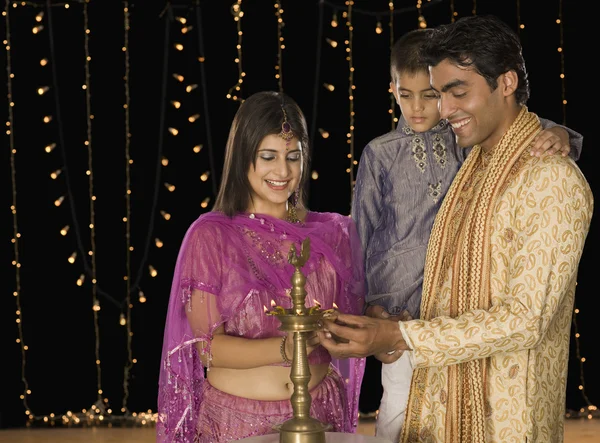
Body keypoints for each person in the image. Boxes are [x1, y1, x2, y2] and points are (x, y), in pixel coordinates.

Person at [321, 14, 593, 443]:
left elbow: (524, 321)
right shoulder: (476, 167)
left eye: (456, 93)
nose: (443, 111)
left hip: (503, 423)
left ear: (505, 83)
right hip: (437, 394)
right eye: (439, 94)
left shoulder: (548, 179)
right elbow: (366, 236)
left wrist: (398, 334)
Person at [156, 91, 366, 443]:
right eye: (268, 156)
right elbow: (207, 348)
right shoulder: (212, 236)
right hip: (237, 422)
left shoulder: (334, 234)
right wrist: (292, 346)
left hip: (320, 412)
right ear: (243, 159)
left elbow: (350, 325)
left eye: (293, 157)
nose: (282, 171)